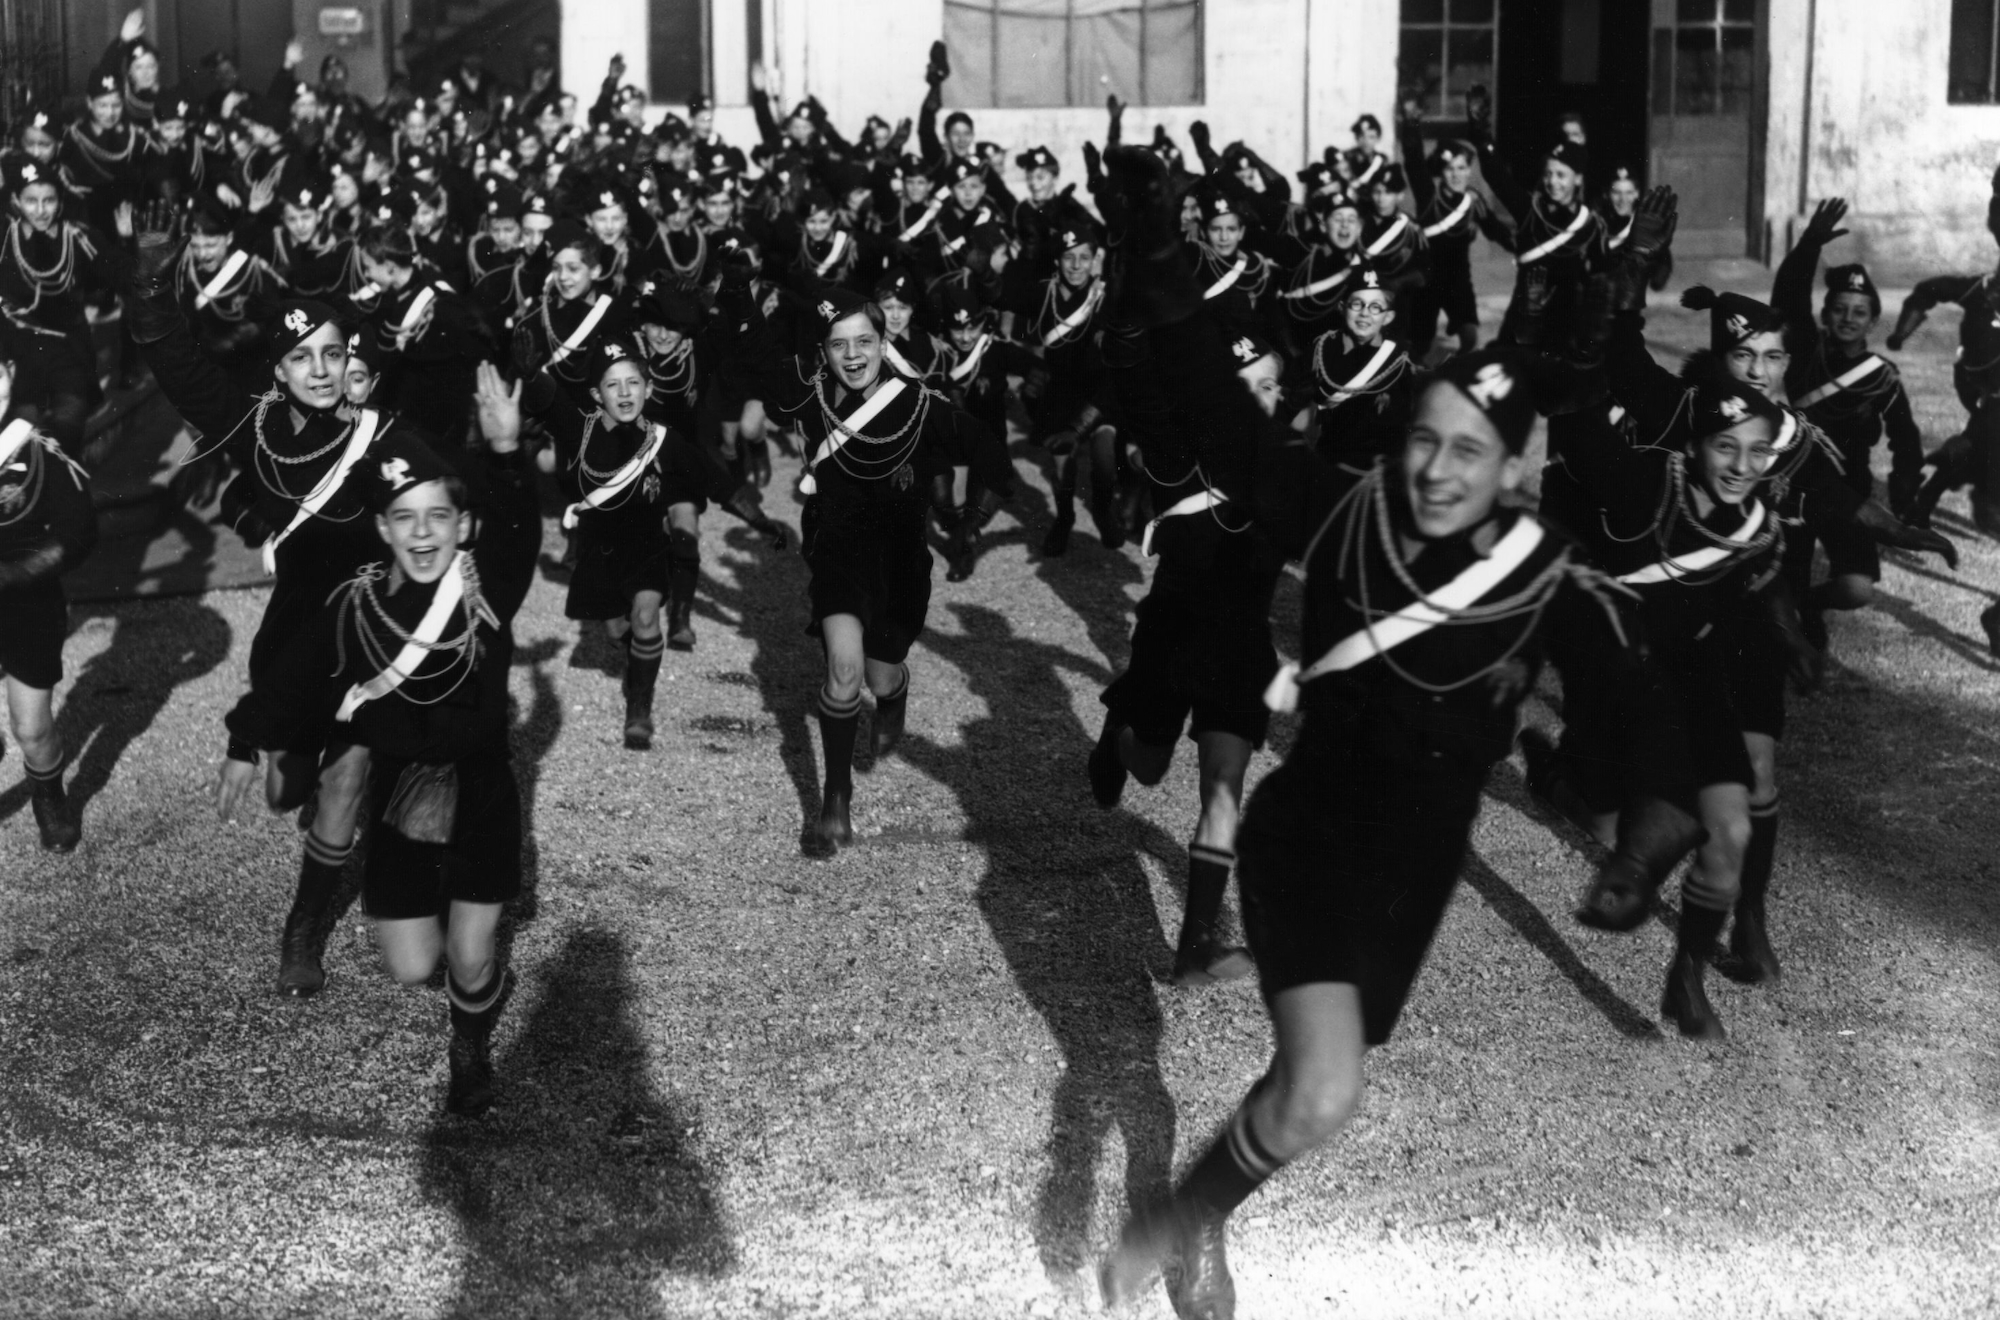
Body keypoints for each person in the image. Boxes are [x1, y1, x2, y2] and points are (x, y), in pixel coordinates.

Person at [1100, 345, 1630, 1320]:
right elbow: (1219, 424)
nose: (1436, 469)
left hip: (1415, 868)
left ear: (1513, 468)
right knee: (1321, 1094)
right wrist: (1170, 286)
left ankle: (1214, 1185)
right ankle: (1191, 1218)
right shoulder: (1345, 511)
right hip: (1308, 832)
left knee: (1312, 1074)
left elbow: (1625, 720)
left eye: (1468, 450)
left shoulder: (1548, 575)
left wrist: (1579, 780)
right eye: (1422, 439)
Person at [128, 212, 443, 1000]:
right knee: (285, 789)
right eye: (302, 358)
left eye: (334, 354)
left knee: (347, 779)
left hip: (372, 640)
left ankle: (303, 930)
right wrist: (150, 283)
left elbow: (444, 492)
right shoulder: (254, 425)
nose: (322, 369)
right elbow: (178, 365)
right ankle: (305, 788)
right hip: (294, 635)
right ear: (279, 369)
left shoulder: (381, 437)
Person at [221, 368, 539, 1116]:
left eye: (437, 516)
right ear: (383, 529)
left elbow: (521, 520)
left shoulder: (488, 587)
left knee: (469, 958)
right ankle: (442, 955)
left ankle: (470, 1053)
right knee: (410, 964)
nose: (423, 532)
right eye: (405, 518)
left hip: (483, 793)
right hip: (400, 802)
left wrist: (503, 450)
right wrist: (245, 737)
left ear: (461, 525)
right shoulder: (355, 607)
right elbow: (295, 681)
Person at [769, 286, 1007, 850]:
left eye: (865, 341)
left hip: (900, 567)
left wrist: (974, 516)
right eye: (838, 345)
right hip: (838, 557)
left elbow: (989, 448)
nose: (853, 355)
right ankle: (835, 801)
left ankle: (896, 692)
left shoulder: (920, 404)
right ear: (823, 353)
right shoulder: (814, 399)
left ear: (885, 342)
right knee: (844, 673)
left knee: (879, 675)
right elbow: (760, 364)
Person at [529, 335, 784, 746]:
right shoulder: (580, 429)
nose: (625, 393)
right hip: (598, 553)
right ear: (597, 394)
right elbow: (548, 398)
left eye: (633, 383)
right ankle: (639, 661)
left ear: (648, 389)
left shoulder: (665, 441)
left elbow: (713, 479)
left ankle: (639, 708)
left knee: (647, 618)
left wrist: (760, 519)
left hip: (648, 547)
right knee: (618, 630)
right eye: (613, 385)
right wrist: (527, 372)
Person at [1771, 199, 1928, 651]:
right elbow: (1787, 297)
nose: (1847, 319)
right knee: (1784, 575)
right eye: (1839, 309)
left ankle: (1811, 605)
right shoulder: (1805, 352)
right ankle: (1794, 618)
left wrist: (1905, 489)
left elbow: (1906, 438)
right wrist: (1807, 247)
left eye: (1859, 312)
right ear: (1825, 314)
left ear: (1873, 321)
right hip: (1795, 484)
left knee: (1857, 589)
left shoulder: (1883, 377)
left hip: (1851, 490)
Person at [0, 333, 98, 851]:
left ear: (10, 372)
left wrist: (17, 574)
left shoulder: (37, 448)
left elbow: (80, 531)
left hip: (25, 605)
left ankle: (48, 795)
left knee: (32, 729)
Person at [0, 157, 119, 446]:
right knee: (21, 427)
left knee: (67, 422)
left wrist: (124, 239)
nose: (41, 211)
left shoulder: (76, 236)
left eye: (49, 200)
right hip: (19, 351)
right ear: (16, 200)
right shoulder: (6, 239)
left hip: (67, 347)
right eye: (31, 201)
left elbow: (111, 274)